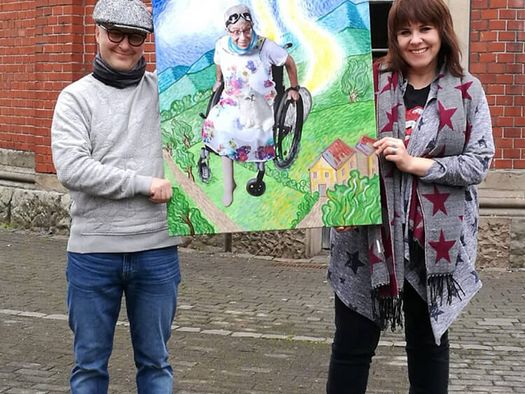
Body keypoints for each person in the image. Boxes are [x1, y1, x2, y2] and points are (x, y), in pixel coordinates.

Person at [326, 0, 494, 392]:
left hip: (432, 246)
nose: (415, 40)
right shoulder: (370, 82)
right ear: (394, 38)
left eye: (425, 29)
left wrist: (415, 163)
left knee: (428, 350)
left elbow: (478, 163)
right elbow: (339, 144)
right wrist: (338, 202)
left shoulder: (468, 90)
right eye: (405, 32)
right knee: (351, 348)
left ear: (442, 32)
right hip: (368, 241)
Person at [51, 0, 181, 392]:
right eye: (115, 34)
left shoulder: (169, 94)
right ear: (97, 32)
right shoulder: (75, 98)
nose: (125, 45)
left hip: (157, 250)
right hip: (93, 254)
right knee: (89, 367)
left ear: (146, 42)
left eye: (136, 37)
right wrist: (143, 184)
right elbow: (73, 168)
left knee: (156, 365)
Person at [201, 4, 301, 207]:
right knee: (219, 126)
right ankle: (229, 185)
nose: (242, 37)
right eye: (236, 32)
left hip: (260, 101)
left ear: (252, 26)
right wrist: (218, 81)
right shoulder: (222, 44)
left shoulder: (265, 46)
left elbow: (289, 62)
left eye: (246, 30)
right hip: (232, 99)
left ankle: (259, 169)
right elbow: (219, 62)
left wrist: (294, 88)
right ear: (228, 31)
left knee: (256, 130)